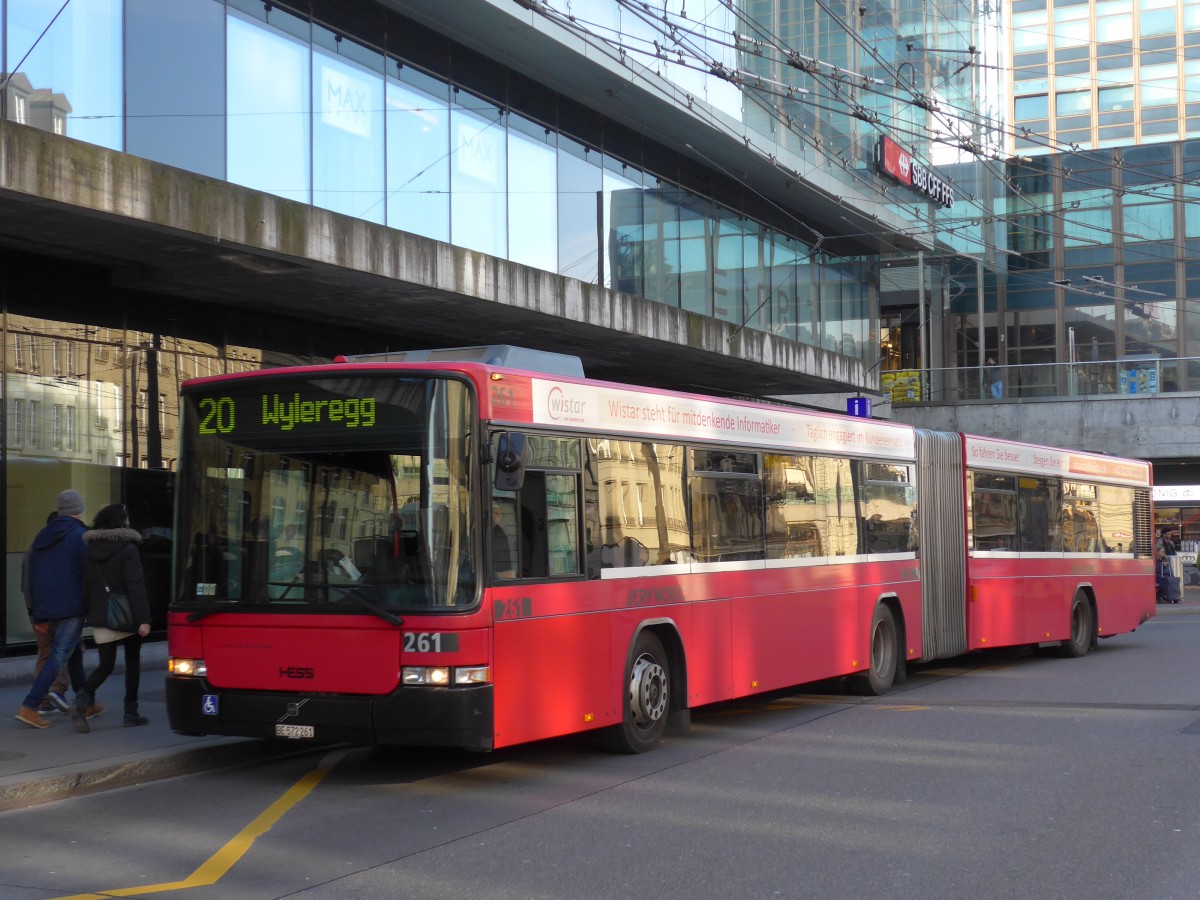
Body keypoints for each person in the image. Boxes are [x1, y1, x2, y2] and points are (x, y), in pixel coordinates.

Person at [15, 490, 93, 729]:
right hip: (71, 607)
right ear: (79, 509)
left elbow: (33, 577)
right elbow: (87, 575)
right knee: (59, 654)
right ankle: (30, 705)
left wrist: (37, 612)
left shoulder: (41, 536)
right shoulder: (80, 536)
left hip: (47, 608)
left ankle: (86, 702)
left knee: (74, 654)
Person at [72, 503, 152, 732]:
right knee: (132, 662)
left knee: (105, 665)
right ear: (122, 523)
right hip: (128, 615)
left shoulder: (90, 550)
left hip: (101, 614)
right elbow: (136, 585)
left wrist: (91, 613)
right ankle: (131, 712)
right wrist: (144, 618)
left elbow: (86, 586)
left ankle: (80, 702)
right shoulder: (129, 549)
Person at [22, 511, 71, 715]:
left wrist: (33, 613)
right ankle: (56, 692)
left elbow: (25, 585)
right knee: (63, 652)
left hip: (38, 610)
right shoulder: (54, 548)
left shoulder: (33, 548)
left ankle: (43, 700)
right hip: (55, 610)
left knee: (45, 653)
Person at [492, 503, 515, 579]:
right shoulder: (482, 530)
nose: (494, 516)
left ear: (500, 516)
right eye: (492, 513)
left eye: (497, 513)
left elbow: (507, 572)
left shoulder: (499, 535)